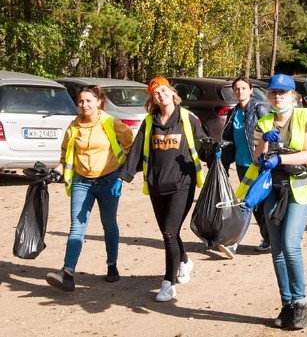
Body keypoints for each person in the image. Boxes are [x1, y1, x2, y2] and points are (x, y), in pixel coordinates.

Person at [235, 74, 307, 330]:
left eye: (283, 93)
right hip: (272, 189)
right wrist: (265, 145)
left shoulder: (306, 117)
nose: (278, 96)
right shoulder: (264, 121)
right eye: (274, 92)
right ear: (269, 95)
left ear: (293, 96)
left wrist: (280, 159)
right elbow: (256, 158)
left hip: (298, 189)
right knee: (276, 251)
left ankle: (300, 303)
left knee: (290, 244)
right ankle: (286, 305)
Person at [118, 76, 207, 302]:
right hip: (156, 184)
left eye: (164, 91)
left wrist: (216, 154)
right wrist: (122, 177)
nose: (161, 95)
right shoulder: (149, 123)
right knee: (170, 232)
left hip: (182, 184)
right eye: (156, 93)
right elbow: (136, 151)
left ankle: (169, 283)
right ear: (153, 99)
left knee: (169, 230)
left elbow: (203, 144)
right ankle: (184, 261)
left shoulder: (187, 118)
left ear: (172, 92)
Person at [46, 85, 134, 292]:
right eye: (80, 101)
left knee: (109, 224)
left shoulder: (111, 123)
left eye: (88, 100)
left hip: (108, 181)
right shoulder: (73, 126)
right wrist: (55, 172)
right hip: (81, 182)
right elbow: (64, 155)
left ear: (98, 102)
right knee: (76, 227)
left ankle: (112, 265)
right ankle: (67, 273)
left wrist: (122, 175)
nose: (84, 105)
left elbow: (132, 147)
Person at [219, 77, 270, 258]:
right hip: (242, 165)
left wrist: (267, 160)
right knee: (255, 206)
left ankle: (234, 243)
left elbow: (270, 135)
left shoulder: (259, 109)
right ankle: (269, 239)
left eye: (243, 88)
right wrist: (222, 162)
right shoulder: (233, 112)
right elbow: (228, 139)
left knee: (250, 203)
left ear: (251, 90)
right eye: (237, 89)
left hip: (258, 165)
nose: (240, 91)